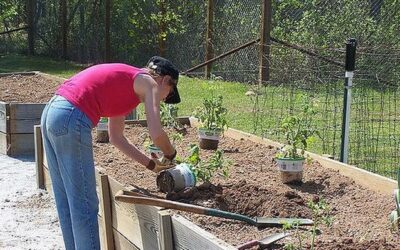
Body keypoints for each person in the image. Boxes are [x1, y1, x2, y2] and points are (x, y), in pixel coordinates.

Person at [40, 56, 180, 250]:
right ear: (165, 80)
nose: (164, 99)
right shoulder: (150, 83)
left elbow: (117, 137)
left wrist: (152, 165)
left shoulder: (127, 84)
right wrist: (171, 154)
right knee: (85, 205)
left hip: (52, 111)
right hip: (71, 116)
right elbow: (156, 134)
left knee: (67, 200)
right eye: (169, 93)